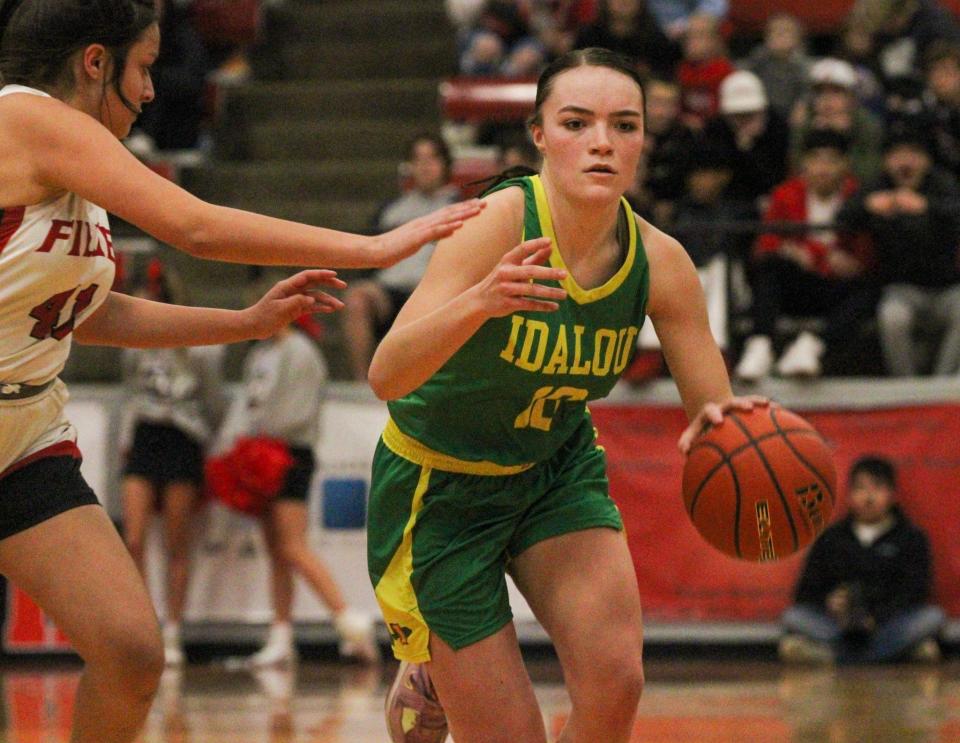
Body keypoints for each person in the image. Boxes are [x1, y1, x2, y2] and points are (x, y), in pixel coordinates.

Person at [0, 1, 480, 741]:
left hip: (25, 431)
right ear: (94, 63)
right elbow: (193, 225)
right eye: (144, 67)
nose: (153, 90)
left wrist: (243, 323)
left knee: (129, 651)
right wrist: (376, 247)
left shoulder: (76, 168)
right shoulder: (28, 118)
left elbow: (86, 311)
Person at [365, 47, 762, 743]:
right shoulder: (496, 222)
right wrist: (482, 302)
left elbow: (714, 411)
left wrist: (732, 438)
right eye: (577, 123)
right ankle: (431, 667)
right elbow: (386, 373)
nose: (603, 142)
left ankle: (440, 670)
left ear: (646, 138)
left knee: (617, 680)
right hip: (440, 488)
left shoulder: (661, 261)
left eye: (625, 125)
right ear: (540, 134)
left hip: (554, 470)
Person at [214, 308, 378, 666]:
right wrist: (234, 447)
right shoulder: (260, 354)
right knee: (276, 550)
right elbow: (247, 403)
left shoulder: (302, 352)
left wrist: (260, 439)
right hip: (260, 452)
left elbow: (297, 412)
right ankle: (281, 635)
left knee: (292, 544)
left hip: (288, 454)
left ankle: (349, 620)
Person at [119, 259, 227, 666]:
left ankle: (174, 629)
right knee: (133, 538)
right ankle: (141, 626)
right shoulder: (133, 340)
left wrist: (209, 442)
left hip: (183, 440)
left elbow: (214, 401)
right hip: (145, 436)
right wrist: (126, 438)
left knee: (176, 542)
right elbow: (129, 392)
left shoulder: (199, 346)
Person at [734, 129, 874, 382]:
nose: (823, 168)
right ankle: (760, 345)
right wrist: (818, 255)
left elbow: (863, 258)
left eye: (831, 160)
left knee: (870, 291)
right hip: (796, 285)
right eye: (816, 159)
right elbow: (765, 246)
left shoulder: (858, 197)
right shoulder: (785, 195)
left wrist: (809, 252)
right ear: (804, 164)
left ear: (845, 165)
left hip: (836, 290)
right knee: (770, 268)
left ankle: (811, 347)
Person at [779, 455, 945, 664]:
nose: (868, 497)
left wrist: (875, 616)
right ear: (849, 495)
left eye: (877, 488)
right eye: (860, 488)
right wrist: (829, 602)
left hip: (886, 625)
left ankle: (836, 657)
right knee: (793, 617)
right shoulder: (832, 538)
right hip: (838, 626)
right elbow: (804, 591)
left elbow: (916, 591)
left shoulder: (911, 538)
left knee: (932, 618)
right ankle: (896, 655)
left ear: (892, 494)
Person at [836, 126, 960, 376]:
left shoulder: (942, 184)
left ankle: (943, 385)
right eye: (897, 155)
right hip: (900, 290)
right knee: (892, 318)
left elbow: (955, 211)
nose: (905, 162)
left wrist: (926, 207)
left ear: (926, 159)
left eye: (913, 153)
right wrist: (867, 206)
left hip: (947, 288)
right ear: (886, 160)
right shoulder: (877, 186)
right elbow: (843, 217)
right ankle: (907, 387)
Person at [342, 134, 460, 381]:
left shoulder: (462, 206)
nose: (425, 166)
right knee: (356, 299)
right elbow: (369, 257)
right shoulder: (390, 210)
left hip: (434, 291)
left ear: (446, 164)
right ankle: (364, 384)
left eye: (432, 158)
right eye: (418, 159)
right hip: (390, 290)